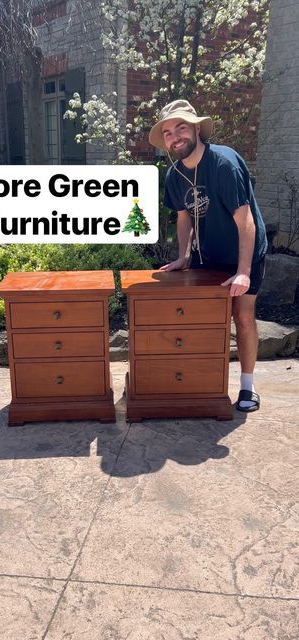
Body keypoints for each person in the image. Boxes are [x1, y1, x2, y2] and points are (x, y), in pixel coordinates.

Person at [149, 99, 268, 412]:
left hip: (244, 251)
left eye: (181, 128)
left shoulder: (223, 165)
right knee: (204, 322)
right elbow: (184, 216)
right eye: (169, 133)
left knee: (242, 315)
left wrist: (243, 271)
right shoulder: (174, 176)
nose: (176, 137)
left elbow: (246, 222)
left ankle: (247, 386)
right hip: (208, 255)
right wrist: (184, 256)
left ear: (197, 128)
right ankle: (201, 384)